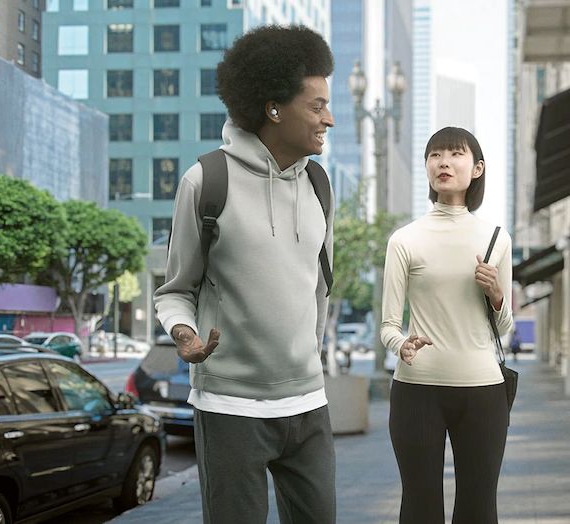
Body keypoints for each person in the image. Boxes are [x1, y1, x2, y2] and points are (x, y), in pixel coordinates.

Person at [153, 25, 336, 524]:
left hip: (309, 404)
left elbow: (319, 286)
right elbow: (175, 292)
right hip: (231, 408)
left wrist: (311, 355)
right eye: (317, 106)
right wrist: (185, 336)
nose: (330, 119)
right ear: (274, 108)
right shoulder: (206, 181)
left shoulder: (320, 185)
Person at [381, 127, 514, 523]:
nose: (443, 162)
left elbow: (503, 325)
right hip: (416, 392)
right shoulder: (405, 240)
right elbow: (388, 324)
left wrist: (496, 295)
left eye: (455, 154)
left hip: (484, 393)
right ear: (427, 168)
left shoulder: (495, 238)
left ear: (477, 168)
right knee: (420, 508)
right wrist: (400, 344)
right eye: (435, 155)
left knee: (478, 507)